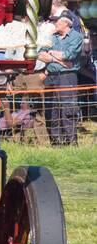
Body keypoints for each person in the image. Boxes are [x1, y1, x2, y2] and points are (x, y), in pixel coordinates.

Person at [37, 13, 82, 145]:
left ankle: (71, 142)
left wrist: (52, 57)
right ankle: (56, 142)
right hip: (51, 76)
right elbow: (41, 53)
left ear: (66, 23)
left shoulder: (76, 37)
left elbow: (69, 55)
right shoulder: (53, 37)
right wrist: (56, 59)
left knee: (68, 108)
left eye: (57, 22)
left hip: (67, 77)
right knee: (52, 110)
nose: (55, 24)